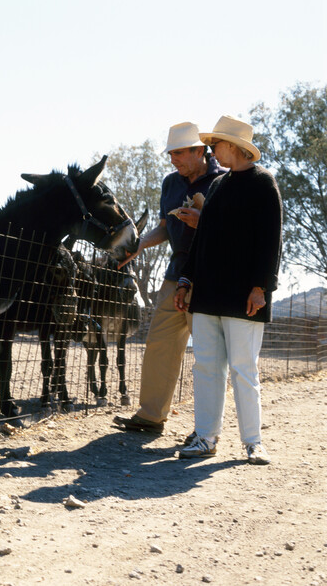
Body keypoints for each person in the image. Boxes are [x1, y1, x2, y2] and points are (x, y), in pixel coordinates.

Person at [175, 115, 282, 465]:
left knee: (243, 368)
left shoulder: (264, 184)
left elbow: (270, 241)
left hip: (244, 296)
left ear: (234, 147)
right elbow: (202, 239)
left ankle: (253, 442)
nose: (212, 150)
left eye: (216, 144)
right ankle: (206, 438)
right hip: (207, 294)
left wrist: (260, 288)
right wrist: (186, 280)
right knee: (206, 367)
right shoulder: (218, 186)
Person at [114, 122, 227, 434]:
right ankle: (150, 417)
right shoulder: (170, 184)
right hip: (174, 275)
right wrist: (138, 245)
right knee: (159, 344)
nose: (173, 159)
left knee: (207, 355)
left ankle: (206, 429)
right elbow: (165, 227)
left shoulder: (223, 181)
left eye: (179, 153)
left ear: (199, 150)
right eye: (171, 153)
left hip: (209, 277)